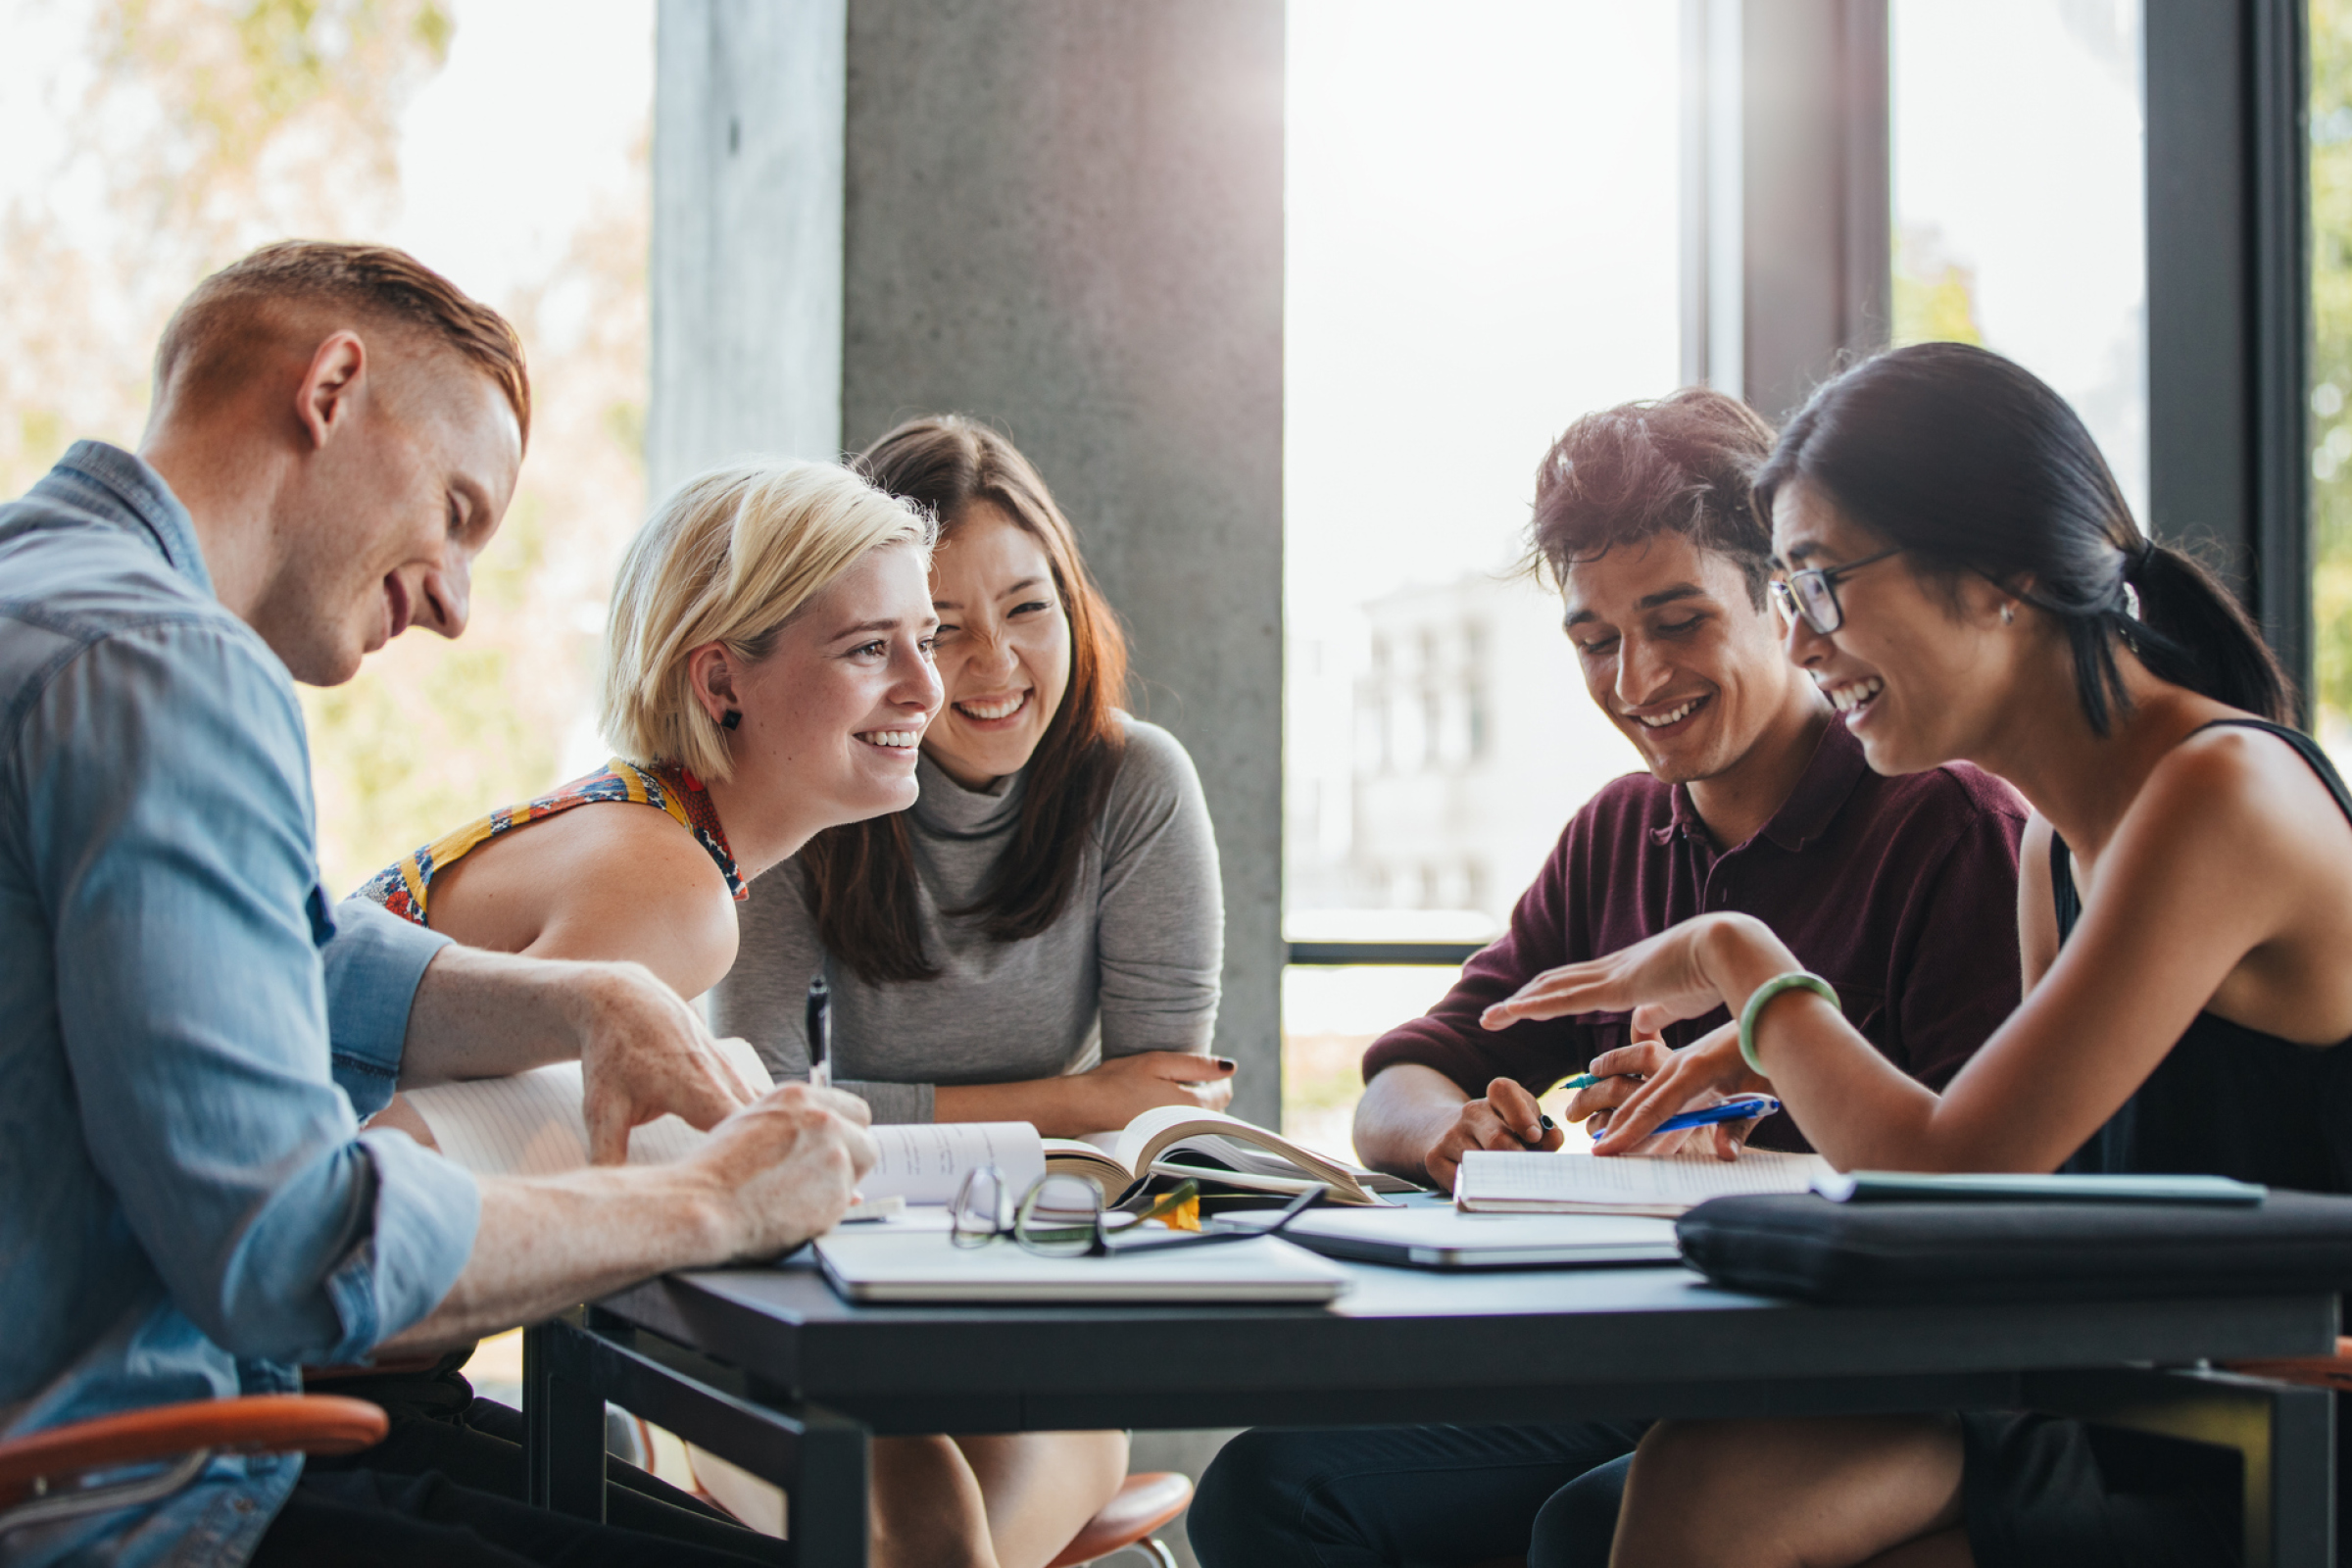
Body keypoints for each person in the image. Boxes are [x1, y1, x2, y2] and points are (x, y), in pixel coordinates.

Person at [0, 241, 878, 1568]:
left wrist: (586, 997)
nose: (459, 606)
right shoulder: (169, 667)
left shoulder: (50, 607)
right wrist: (717, 1200)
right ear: (334, 387)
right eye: (458, 512)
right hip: (137, 1495)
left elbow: (270, 947)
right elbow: (296, 1251)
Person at [1494, 341, 2350, 1568]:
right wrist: (1763, 1053)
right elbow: (2009, 1211)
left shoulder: (2218, 795)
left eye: (1822, 587)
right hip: (2135, 1398)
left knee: (1694, 1504)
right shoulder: (2056, 839)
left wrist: (1744, 963)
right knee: (1662, 1487)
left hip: (2281, 1427)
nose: (1798, 645)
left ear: (2001, 573)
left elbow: (1951, 1175)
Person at [1187, 387, 2030, 1568]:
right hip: (1656, 1365)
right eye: (1594, 640)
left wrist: (1747, 1157)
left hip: (1870, 1384)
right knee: (1269, 1490)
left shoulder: (1944, 821)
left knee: (1592, 1528)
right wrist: (1454, 1130)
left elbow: (1979, 1197)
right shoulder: (1619, 831)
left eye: (1678, 623)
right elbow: (1402, 1077)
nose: (1635, 680)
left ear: (1782, 601)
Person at [354, 452, 1122, 1568]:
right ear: (722, 685)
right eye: (873, 649)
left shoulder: (643, 831)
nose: (927, 685)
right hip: (298, 1412)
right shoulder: (669, 891)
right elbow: (441, 1171)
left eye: (926, 637)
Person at [706, 415, 1225, 1563]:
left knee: (943, 1545)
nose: (991, 667)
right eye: (939, 629)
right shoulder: (797, 796)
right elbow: (764, 1120)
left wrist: (1096, 1110)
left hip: (1036, 1308)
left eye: (1027, 609)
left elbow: (1158, 1128)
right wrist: (1074, 1099)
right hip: (819, 1303)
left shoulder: (1136, 784)